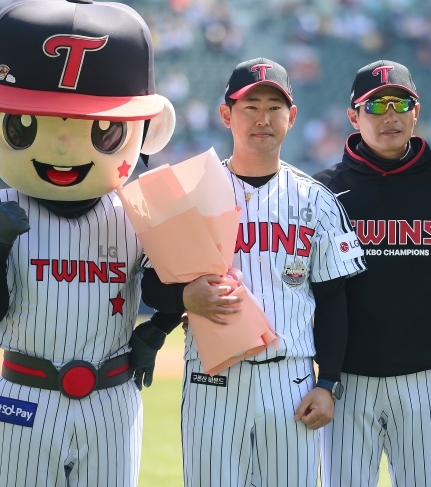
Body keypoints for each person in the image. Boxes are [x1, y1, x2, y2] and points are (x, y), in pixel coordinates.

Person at [0, 0, 176, 485]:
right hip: (23, 393)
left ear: (148, 130)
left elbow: (176, 284)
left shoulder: (138, 208)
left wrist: (159, 328)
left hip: (111, 393)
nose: (64, 146)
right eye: (27, 124)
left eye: (104, 130)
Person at [141, 57, 366, 487]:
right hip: (211, 379)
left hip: (292, 380)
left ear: (291, 116)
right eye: (250, 106)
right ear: (226, 114)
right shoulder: (191, 193)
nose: (263, 118)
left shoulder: (316, 199)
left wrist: (330, 382)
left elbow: (335, 300)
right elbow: (153, 283)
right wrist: (185, 298)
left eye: (274, 107)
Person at [312, 60, 431, 487]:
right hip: (346, 381)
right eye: (375, 106)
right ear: (354, 117)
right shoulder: (324, 190)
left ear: (416, 110)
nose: (389, 115)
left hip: (424, 379)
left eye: (400, 103)